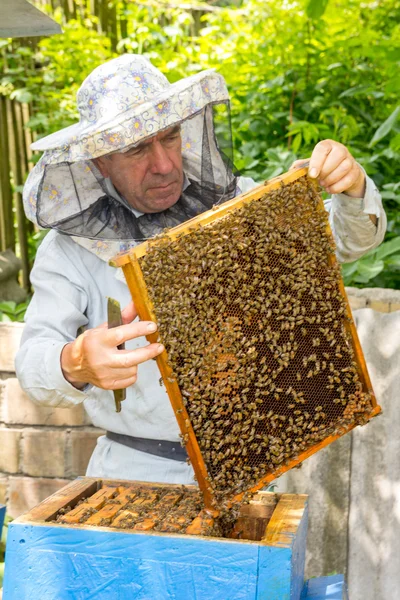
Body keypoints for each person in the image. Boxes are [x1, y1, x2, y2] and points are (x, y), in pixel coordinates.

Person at [16, 54, 386, 485]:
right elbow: (33, 362)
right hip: (138, 473)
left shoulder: (235, 204)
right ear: (99, 161)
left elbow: (348, 240)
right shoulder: (68, 252)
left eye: (169, 138)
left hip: (263, 460)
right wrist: (74, 361)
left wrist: (352, 186)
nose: (164, 164)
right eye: (136, 148)